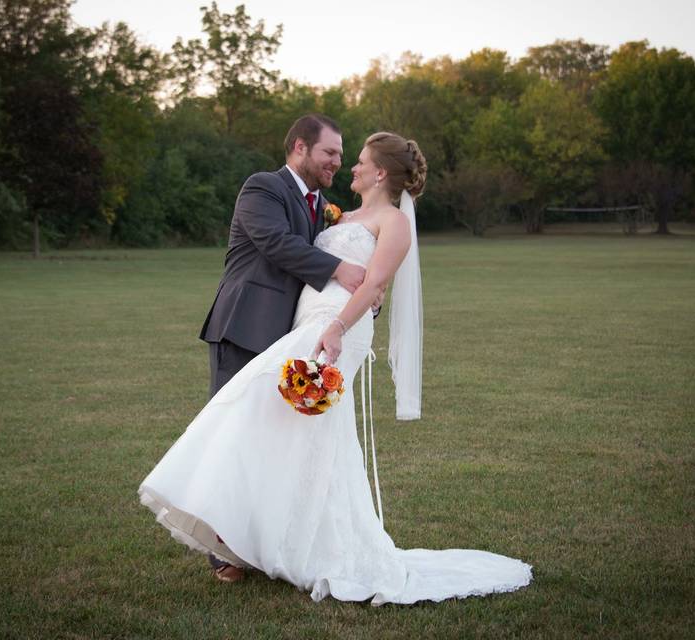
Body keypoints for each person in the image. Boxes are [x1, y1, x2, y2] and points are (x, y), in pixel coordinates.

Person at [139, 132, 533, 605]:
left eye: (360, 162)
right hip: (307, 321)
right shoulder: (340, 215)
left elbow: (373, 286)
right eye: (345, 157)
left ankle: (260, 533)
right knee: (287, 429)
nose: (351, 168)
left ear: (381, 173)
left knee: (260, 406)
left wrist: (339, 329)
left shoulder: (393, 222)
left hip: (333, 329)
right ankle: (263, 536)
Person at [198, 114, 367, 581]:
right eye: (330, 152)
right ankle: (223, 552)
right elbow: (275, 242)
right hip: (245, 326)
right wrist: (340, 270)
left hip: (290, 338)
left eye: (340, 153)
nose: (338, 160)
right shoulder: (263, 188)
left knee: (273, 445)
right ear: (299, 147)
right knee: (232, 438)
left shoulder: (321, 204)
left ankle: (259, 543)